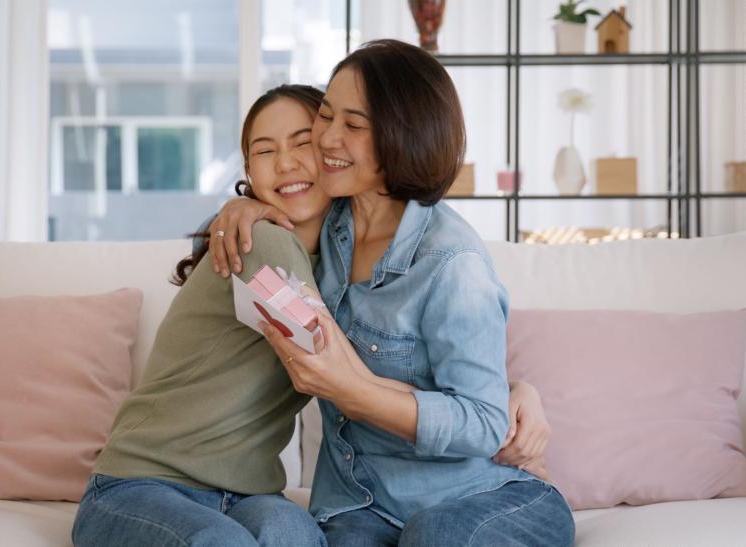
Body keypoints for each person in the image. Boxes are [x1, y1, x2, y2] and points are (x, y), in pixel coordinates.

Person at [204, 40, 575, 546]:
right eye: (327, 115)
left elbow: (485, 422)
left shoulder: (450, 262)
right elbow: (272, 193)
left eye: (353, 126)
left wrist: (353, 394)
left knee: (435, 536)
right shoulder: (324, 225)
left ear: (404, 138)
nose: (327, 139)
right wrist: (239, 209)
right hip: (358, 506)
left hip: (480, 499)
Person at [71, 84, 333, 547]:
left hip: (247, 495)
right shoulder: (263, 241)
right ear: (249, 171)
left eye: (302, 142)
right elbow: (327, 355)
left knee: (297, 536)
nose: (286, 162)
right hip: (138, 487)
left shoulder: (333, 263)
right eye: (264, 150)